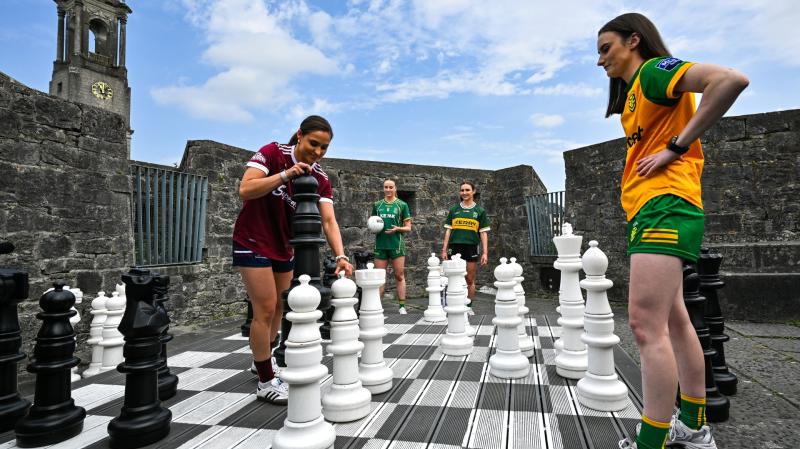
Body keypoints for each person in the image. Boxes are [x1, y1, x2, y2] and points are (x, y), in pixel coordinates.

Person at [597, 13, 748, 449]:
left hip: (664, 205)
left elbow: (730, 80)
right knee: (676, 320)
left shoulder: (652, 72)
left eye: (606, 48)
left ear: (633, 40)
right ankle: (695, 428)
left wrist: (675, 147)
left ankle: (652, 441)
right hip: (655, 207)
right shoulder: (633, 95)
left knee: (644, 326)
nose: (600, 60)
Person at [232, 115, 354, 405]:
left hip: (283, 247)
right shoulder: (273, 153)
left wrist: (341, 254)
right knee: (263, 308)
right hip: (252, 239)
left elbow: (329, 221)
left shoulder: (321, 178)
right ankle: (265, 380)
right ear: (299, 135)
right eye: (314, 144)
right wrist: (286, 175)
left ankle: (262, 360)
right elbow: (245, 190)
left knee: (278, 308)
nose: (318, 152)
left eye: (324, 147)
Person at [440, 181, 490, 310]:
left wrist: (485, 253)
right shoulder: (454, 209)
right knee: (452, 277)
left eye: (467, 190)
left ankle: (469, 307)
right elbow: (448, 230)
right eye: (462, 190)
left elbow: (483, 233)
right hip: (454, 247)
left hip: (471, 247)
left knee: (469, 279)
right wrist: (444, 249)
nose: (464, 193)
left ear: (473, 191)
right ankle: (452, 305)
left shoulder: (480, 211)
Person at [371, 179, 412, 314]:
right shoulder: (377, 205)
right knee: (379, 277)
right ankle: (377, 307)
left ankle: (402, 306)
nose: (388, 189)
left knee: (399, 275)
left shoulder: (402, 205)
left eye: (391, 187)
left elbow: (408, 228)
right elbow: (373, 223)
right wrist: (374, 228)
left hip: (396, 245)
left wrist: (398, 229)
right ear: (383, 188)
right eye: (386, 187)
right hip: (381, 245)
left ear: (395, 188)